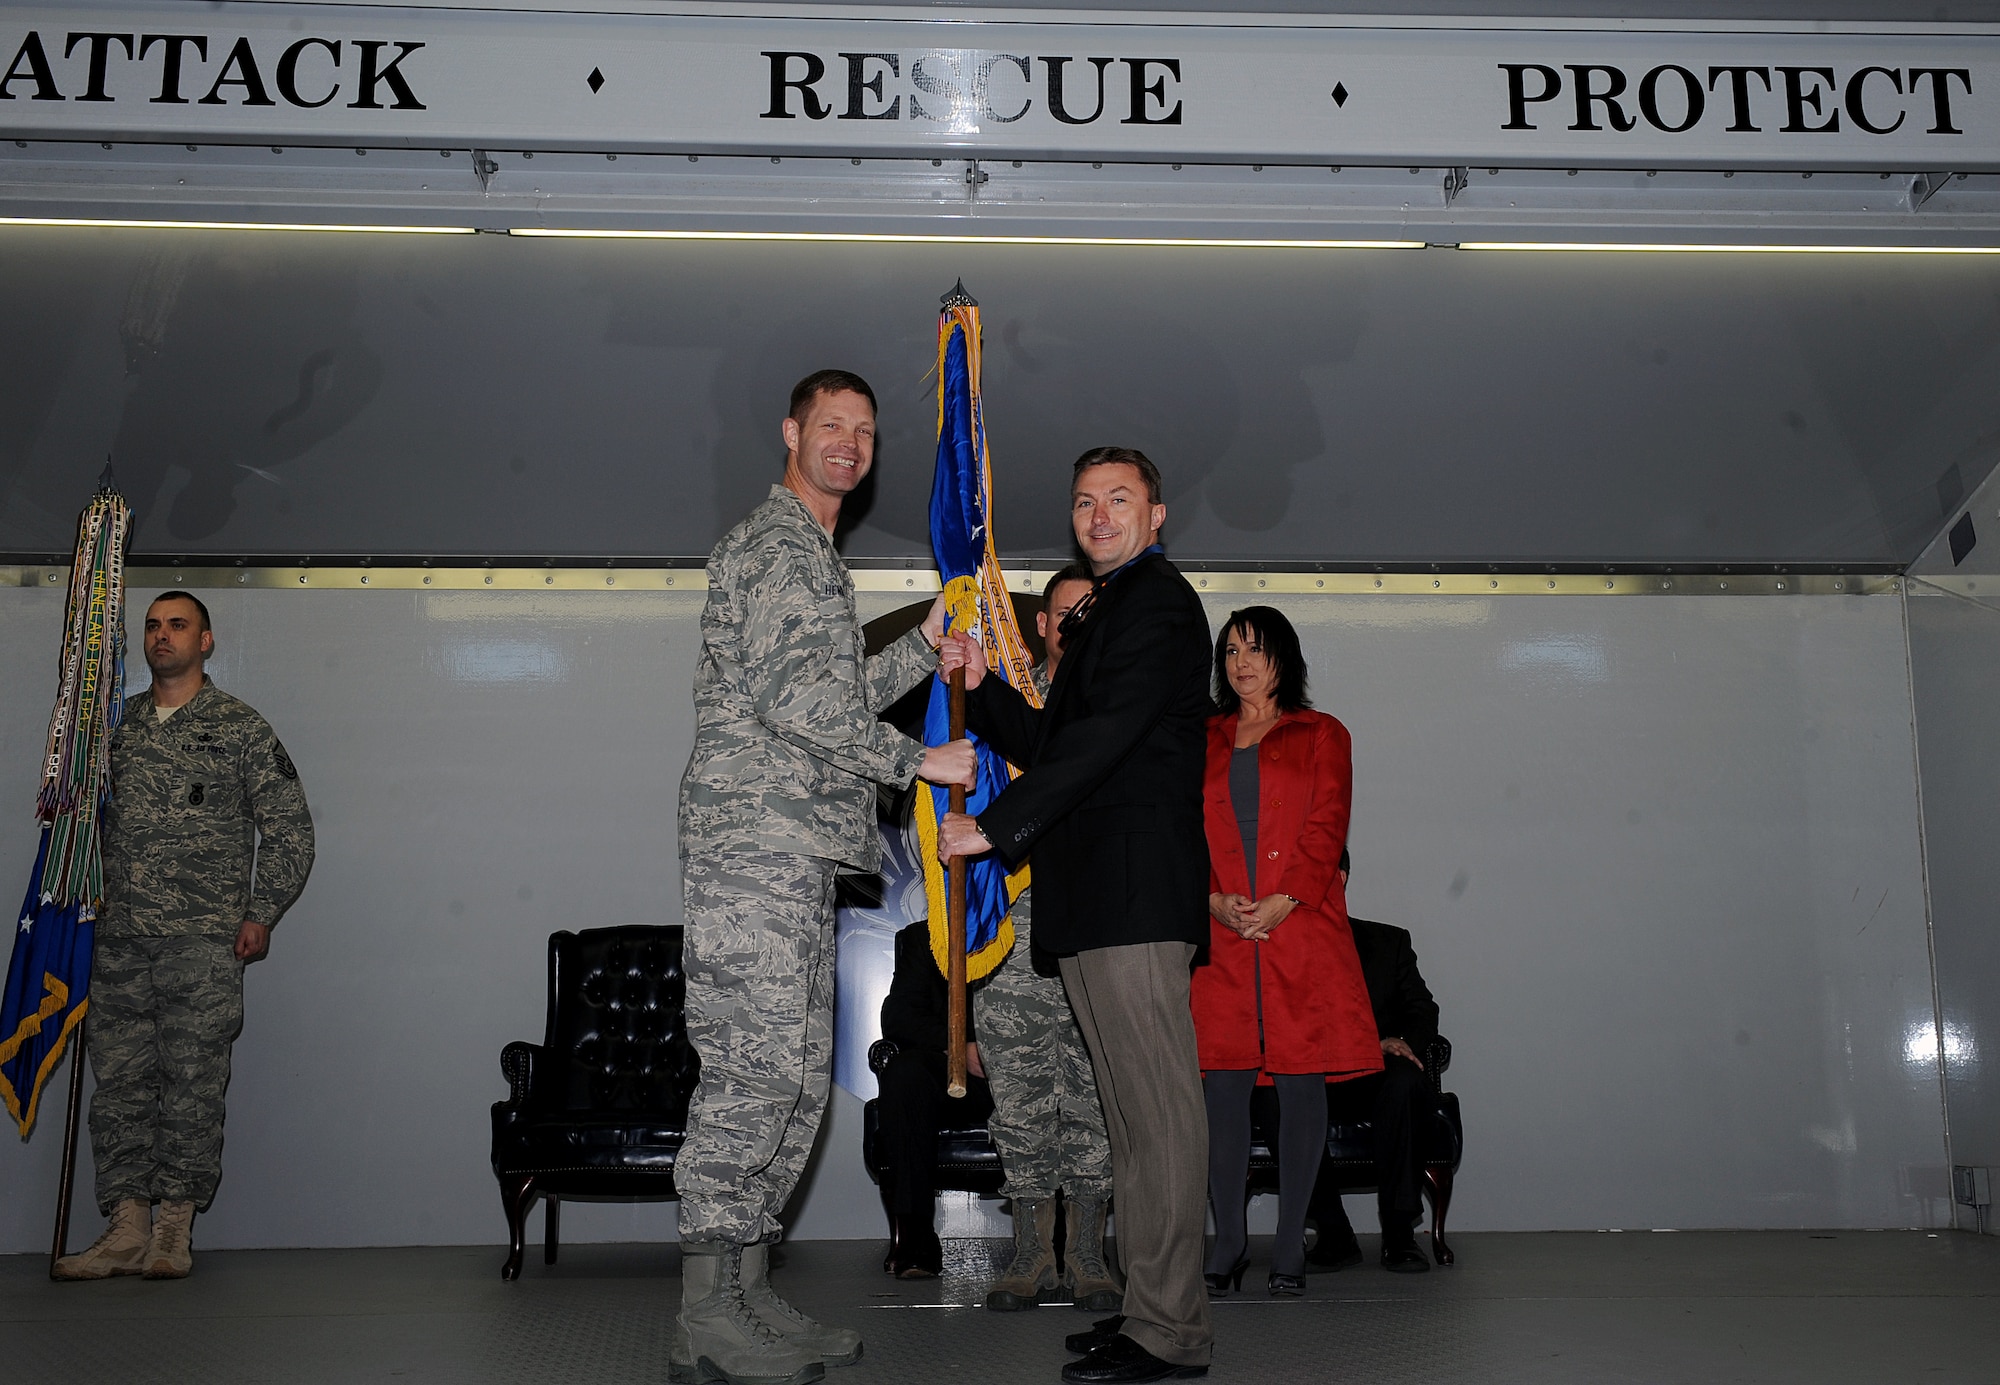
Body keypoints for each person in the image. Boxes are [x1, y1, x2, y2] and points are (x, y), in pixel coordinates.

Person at [673, 368, 977, 1385]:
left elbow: (834, 685)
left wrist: (925, 643)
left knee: (796, 1076)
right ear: (791, 432)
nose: (849, 442)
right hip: (754, 847)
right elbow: (800, 704)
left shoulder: (812, 556)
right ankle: (704, 1314)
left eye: (866, 430)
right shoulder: (774, 546)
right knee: (750, 1075)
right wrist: (920, 760)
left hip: (793, 852)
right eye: (831, 424)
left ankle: (746, 1293)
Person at [939, 447, 1214, 1385]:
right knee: (1131, 1119)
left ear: (1156, 514)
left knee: (1159, 1116)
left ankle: (1171, 1329)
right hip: (1096, 898)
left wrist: (994, 827)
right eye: (1085, 501)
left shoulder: (1158, 604)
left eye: (1119, 499)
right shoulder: (1104, 611)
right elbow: (1055, 736)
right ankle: (1146, 1310)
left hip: (1133, 897)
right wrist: (981, 683)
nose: (1099, 514)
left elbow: (1101, 741)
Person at [53, 592, 315, 1282]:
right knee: (121, 1085)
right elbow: (82, 827)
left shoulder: (239, 727)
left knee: (192, 1083)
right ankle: (126, 1227)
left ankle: (174, 1226)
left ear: (206, 640)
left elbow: (290, 829)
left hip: (202, 944)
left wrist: (261, 911)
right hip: (118, 941)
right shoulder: (117, 729)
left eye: (177, 625)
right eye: (152, 625)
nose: (161, 635)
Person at [1188, 607, 1380, 1298]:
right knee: (1222, 1093)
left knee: (1302, 1087)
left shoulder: (1324, 733)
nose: (1241, 662)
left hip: (1300, 927)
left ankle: (1293, 1242)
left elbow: (1328, 824)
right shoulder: (1200, 737)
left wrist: (1287, 896)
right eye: (1231, 650)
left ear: (1284, 658)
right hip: (1222, 932)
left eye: (1256, 649)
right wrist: (1211, 898)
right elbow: (1179, 830)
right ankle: (1230, 1242)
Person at [975, 564, 1120, 1315]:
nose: (1073, 624)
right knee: (1021, 1094)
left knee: (1095, 1091)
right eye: (1063, 612)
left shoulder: (1116, 702)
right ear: (1041, 623)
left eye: (1087, 612)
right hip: (1011, 933)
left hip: (1094, 926)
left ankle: (1089, 1255)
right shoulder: (998, 702)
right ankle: (1032, 1254)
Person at [1305, 853, 1445, 1274]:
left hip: (1375, 1076)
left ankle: (1400, 1235)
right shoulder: (1274, 947)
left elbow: (1422, 1009)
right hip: (1310, 1071)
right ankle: (1334, 1234)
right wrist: (1370, 1041)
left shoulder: (1388, 941)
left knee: (1404, 1082)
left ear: (1341, 877)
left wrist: (1400, 1043)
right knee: (1272, 1096)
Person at [873, 919, 993, 1279]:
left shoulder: (1029, 928)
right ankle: (915, 1235)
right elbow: (899, 1017)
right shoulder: (924, 938)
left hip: (1029, 1071)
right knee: (906, 1073)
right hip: (959, 1075)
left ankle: (1061, 1237)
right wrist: (960, 1047)